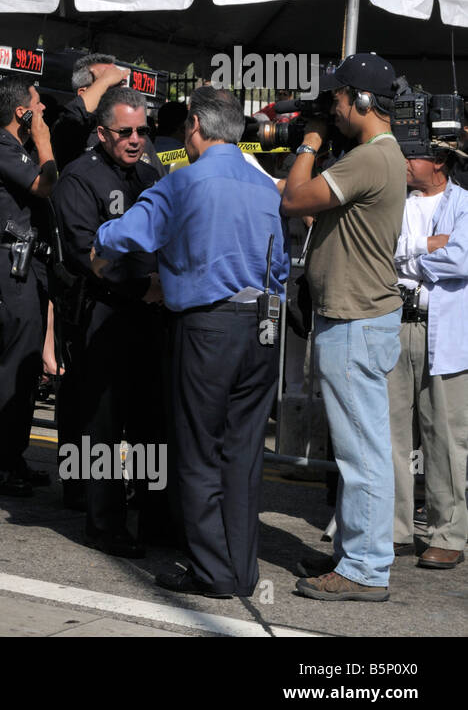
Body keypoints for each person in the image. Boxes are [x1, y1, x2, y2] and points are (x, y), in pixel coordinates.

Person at [95, 86, 288, 598]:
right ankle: (241, 571)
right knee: (244, 454)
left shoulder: (182, 182)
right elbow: (283, 263)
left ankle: (213, 572)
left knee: (199, 451)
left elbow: (122, 235)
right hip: (264, 325)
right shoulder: (266, 185)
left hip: (209, 327)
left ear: (196, 128)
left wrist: (100, 243)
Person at [281, 53, 406, 602]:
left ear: (360, 100)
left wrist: (309, 143)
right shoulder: (373, 157)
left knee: (361, 454)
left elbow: (293, 199)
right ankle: (355, 552)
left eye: (336, 99)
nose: (331, 108)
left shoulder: (369, 160)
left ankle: (364, 567)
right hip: (357, 317)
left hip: (355, 319)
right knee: (361, 449)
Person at [53, 85, 168, 555]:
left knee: (150, 421)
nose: (136, 139)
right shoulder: (80, 178)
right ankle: (104, 523)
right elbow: (86, 254)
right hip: (103, 310)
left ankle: (155, 519)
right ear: (102, 133)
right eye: (126, 131)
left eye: (142, 130)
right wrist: (141, 286)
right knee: (104, 423)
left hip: (152, 311)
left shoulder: (152, 173)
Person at [0, 79, 58, 496]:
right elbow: (43, 183)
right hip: (9, 265)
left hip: (27, 264)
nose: (42, 111)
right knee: (16, 365)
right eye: (37, 106)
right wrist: (45, 143)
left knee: (25, 368)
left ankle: (12, 457)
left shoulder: (12, 148)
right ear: (23, 113)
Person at [387, 148, 468, 570]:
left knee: (446, 437)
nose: (403, 162)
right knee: (389, 432)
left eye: (412, 154)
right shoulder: (393, 200)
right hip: (394, 324)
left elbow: (462, 257)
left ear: (438, 161)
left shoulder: (465, 203)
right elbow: (378, 249)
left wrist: (405, 255)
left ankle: (448, 534)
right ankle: (394, 529)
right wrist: (425, 246)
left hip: (445, 333)